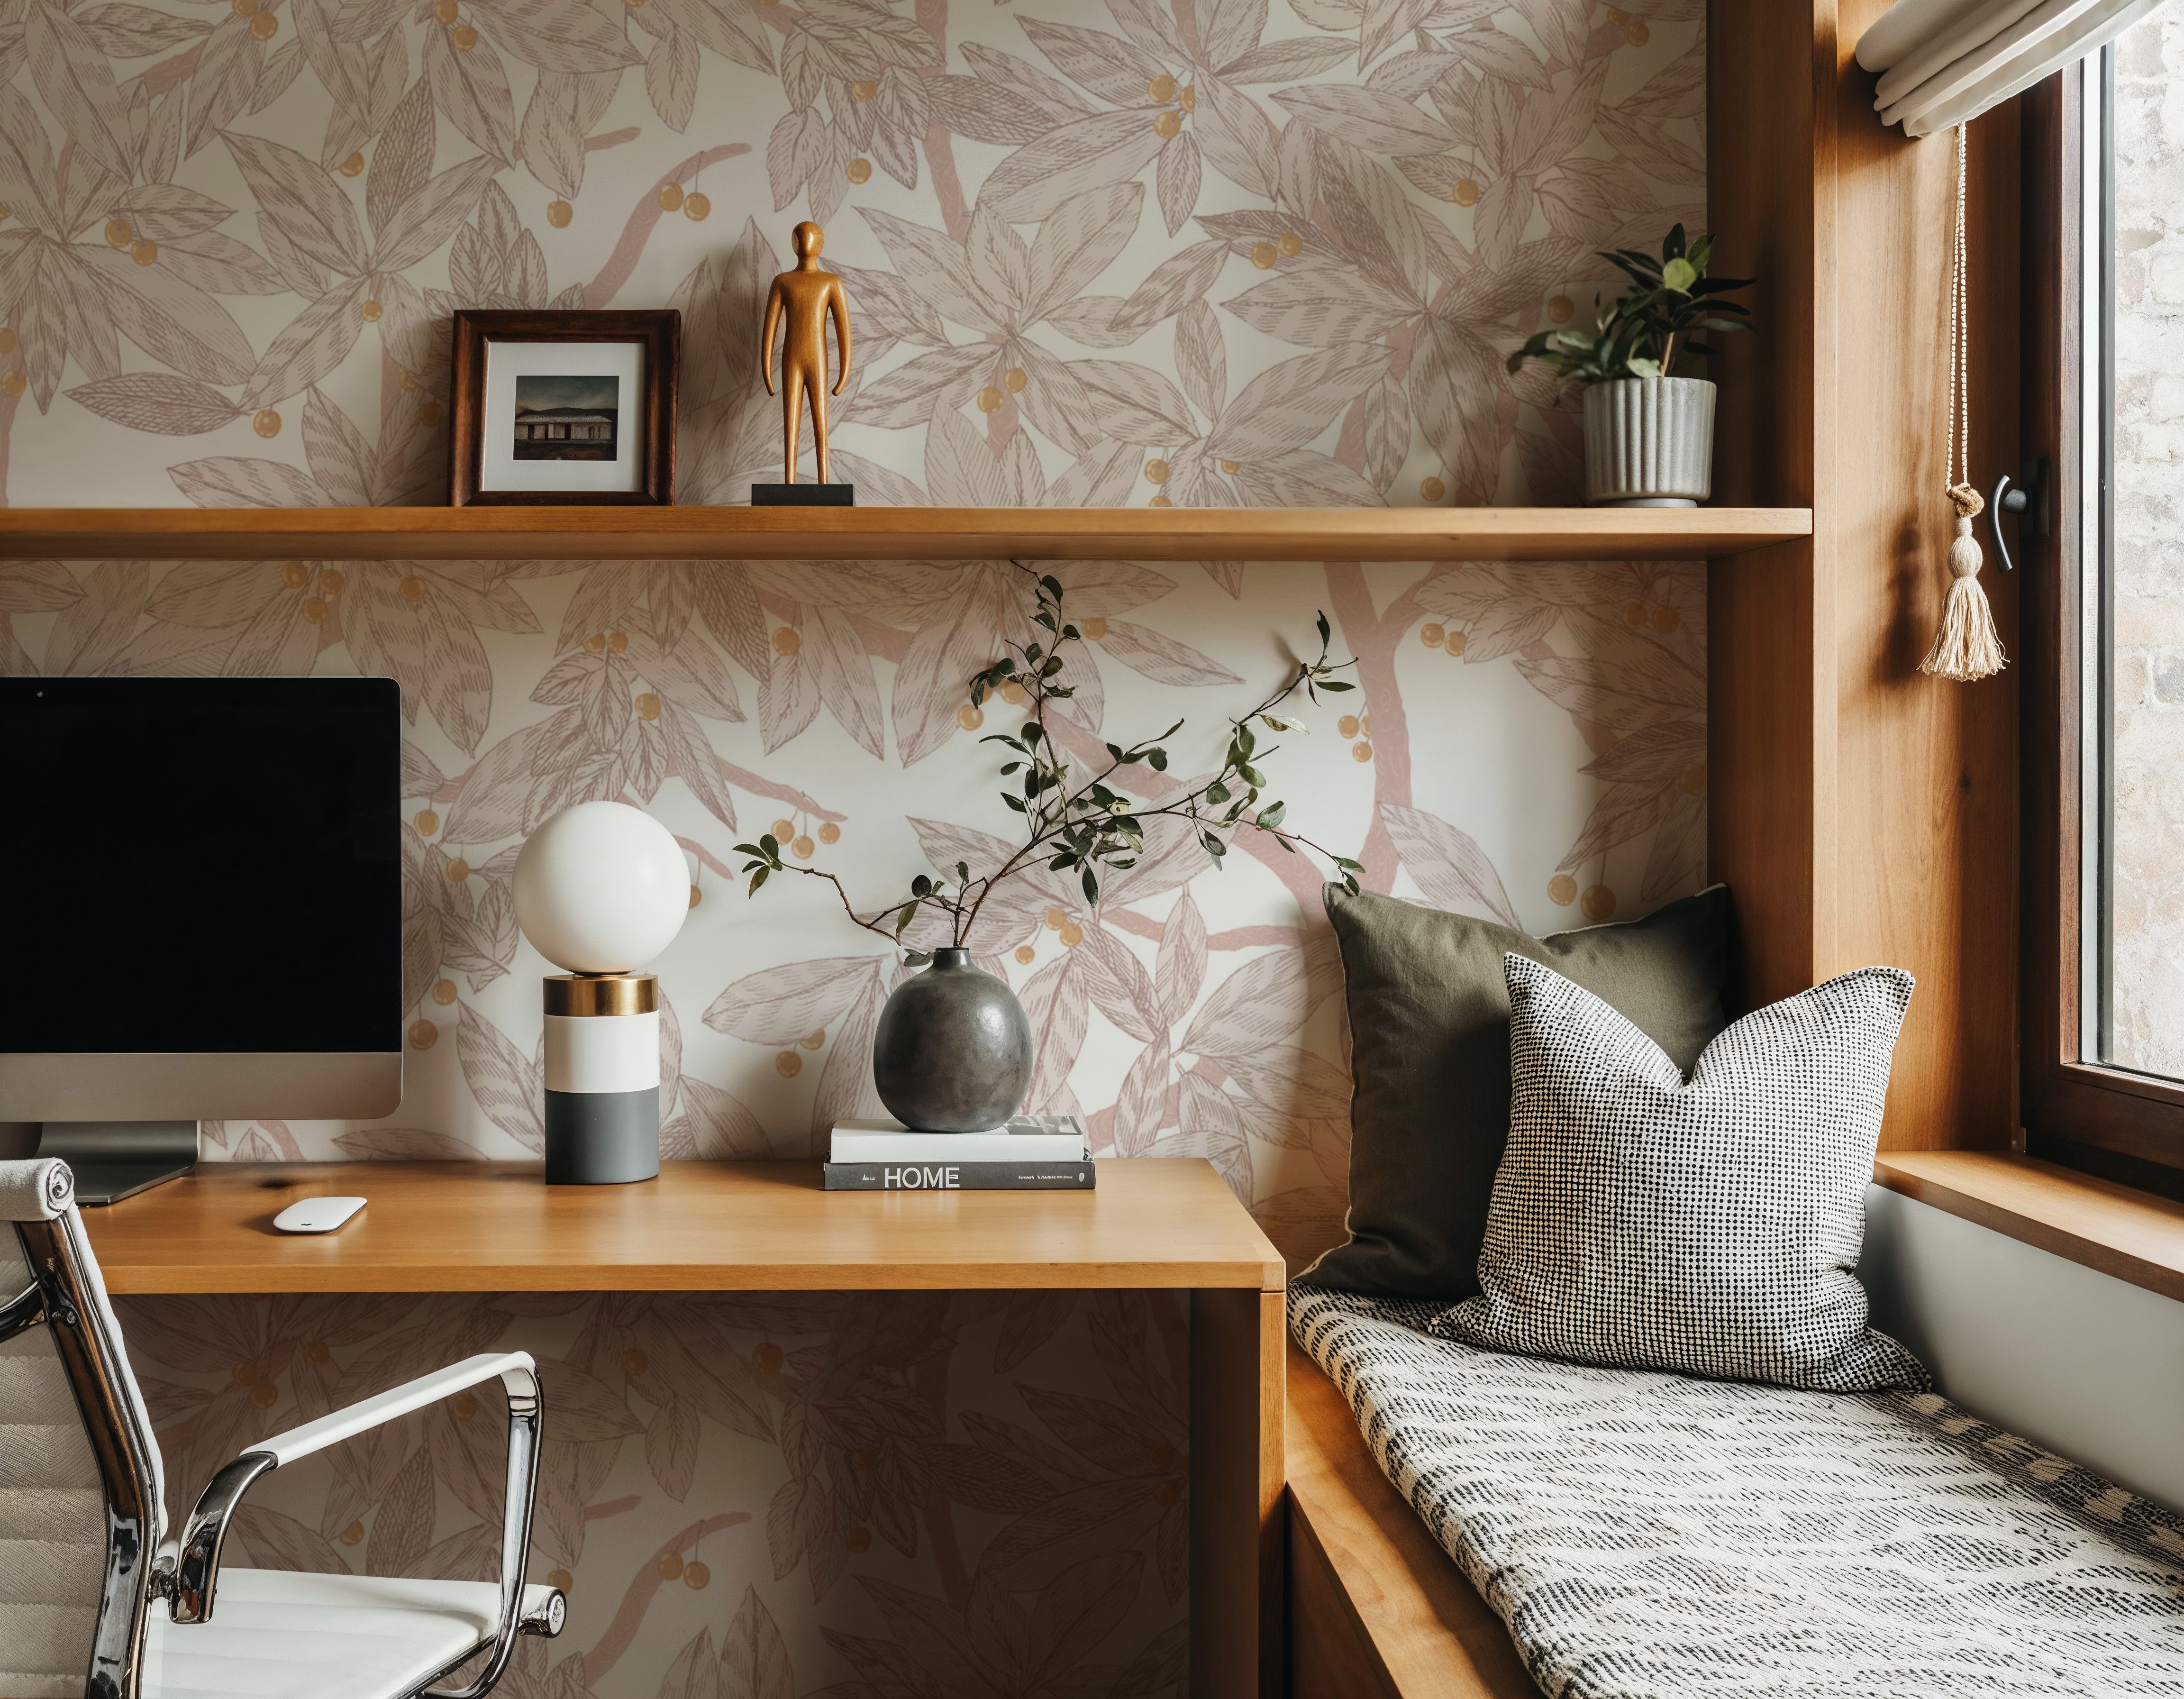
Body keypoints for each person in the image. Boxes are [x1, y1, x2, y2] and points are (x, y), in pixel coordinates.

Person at [761, 221, 853, 485]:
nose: (805, 242)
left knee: (820, 420)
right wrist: (766, 370)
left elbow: (844, 333)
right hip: (792, 358)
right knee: (790, 421)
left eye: (811, 238)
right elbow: (769, 330)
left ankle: (824, 481)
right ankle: (789, 481)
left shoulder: (831, 282)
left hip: (817, 358)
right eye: (800, 238)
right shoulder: (782, 282)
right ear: (793, 243)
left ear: (820, 244)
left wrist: (844, 374)